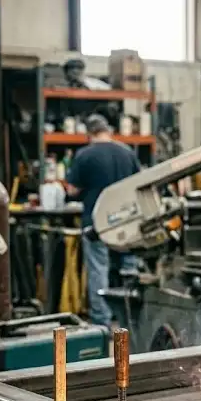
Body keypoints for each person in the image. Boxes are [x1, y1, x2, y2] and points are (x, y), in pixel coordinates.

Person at [67, 115, 140, 328]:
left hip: (96, 223)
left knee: (98, 270)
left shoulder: (85, 155)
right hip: (126, 221)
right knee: (129, 269)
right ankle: (132, 318)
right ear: (108, 131)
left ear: (90, 134)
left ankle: (103, 324)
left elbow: (72, 190)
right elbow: (138, 183)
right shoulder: (127, 152)